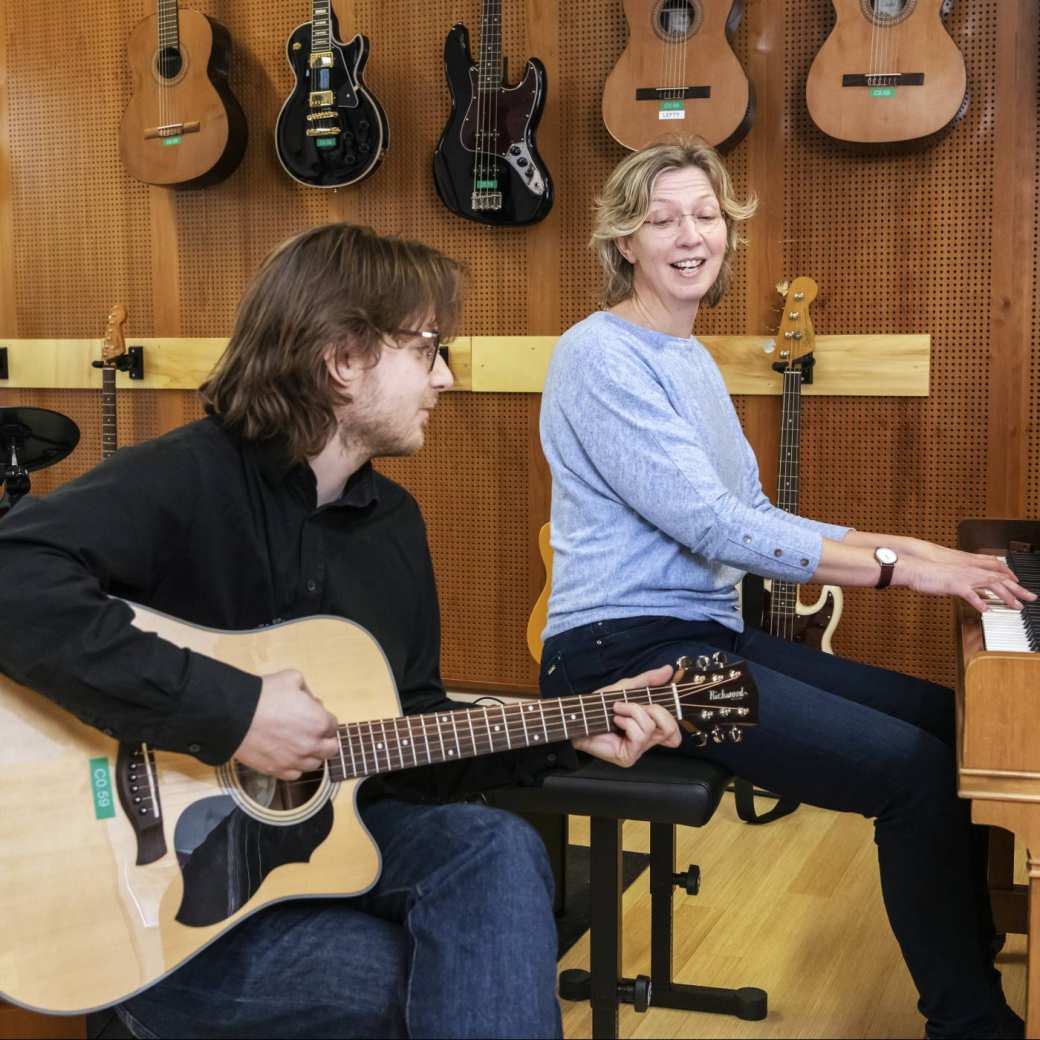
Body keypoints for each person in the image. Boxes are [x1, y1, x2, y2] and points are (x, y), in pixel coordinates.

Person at [0, 223, 679, 1039]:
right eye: (429, 348)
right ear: (344, 357)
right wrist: (233, 711)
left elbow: (407, 733)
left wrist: (571, 728)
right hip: (148, 910)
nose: (447, 377)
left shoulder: (393, 523)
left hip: (310, 860)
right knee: (418, 980)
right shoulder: (186, 478)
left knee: (491, 850)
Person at [538, 140, 1032, 1040]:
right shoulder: (598, 355)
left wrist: (917, 545)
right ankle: (971, 1024)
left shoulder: (687, 358)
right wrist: (908, 572)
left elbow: (752, 509)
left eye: (705, 214)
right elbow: (721, 530)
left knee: (947, 724)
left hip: (697, 638)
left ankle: (983, 957)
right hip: (620, 657)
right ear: (624, 243)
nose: (691, 235)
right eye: (663, 220)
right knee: (914, 776)